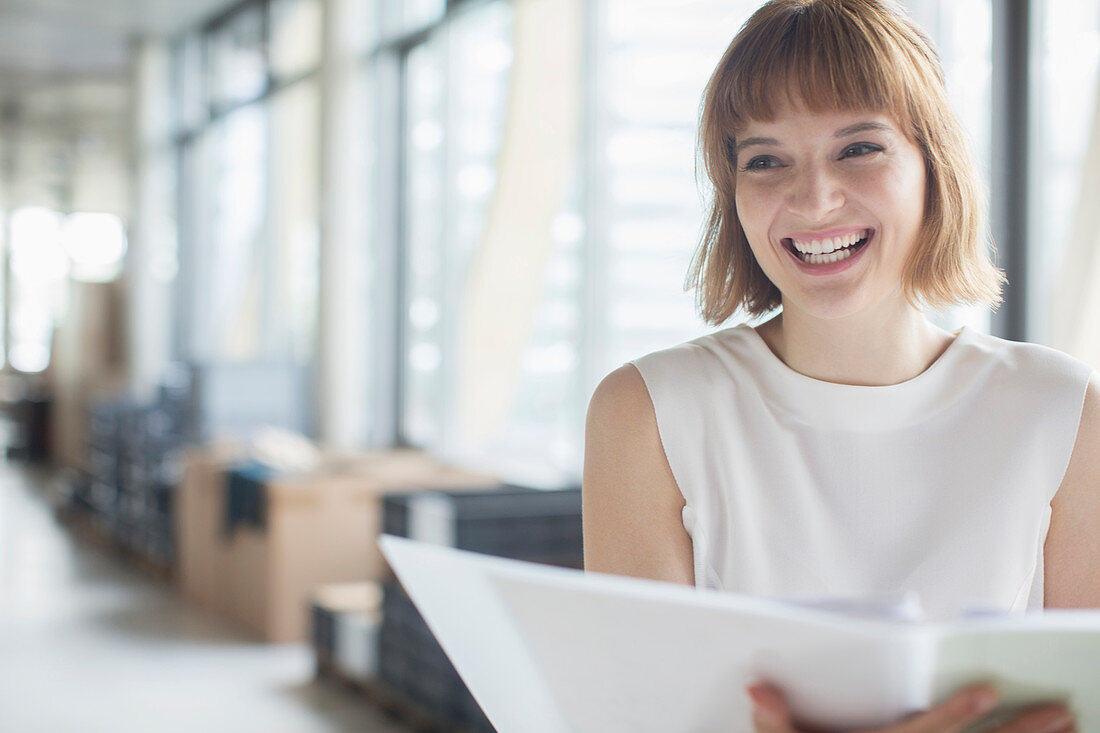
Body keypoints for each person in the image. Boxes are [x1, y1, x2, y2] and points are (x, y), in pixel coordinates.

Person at [581, 0, 1100, 731]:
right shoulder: (650, 410)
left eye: (858, 148)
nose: (813, 198)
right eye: (765, 160)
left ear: (933, 166)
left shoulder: (1062, 409)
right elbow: (628, 715)